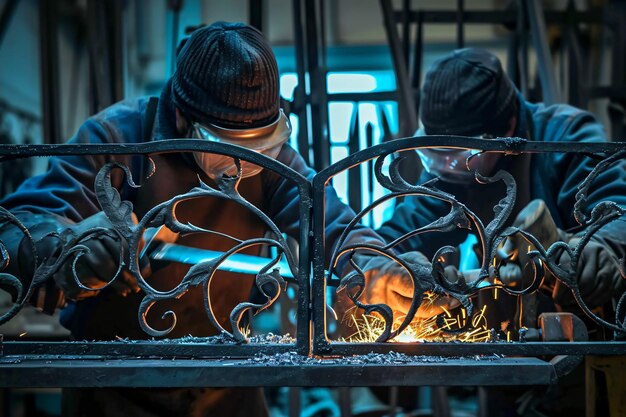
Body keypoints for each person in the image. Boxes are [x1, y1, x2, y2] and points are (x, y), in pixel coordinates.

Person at [0, 22, 385, 417]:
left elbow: (333, 223)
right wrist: (65, 244)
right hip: (112, 380)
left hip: (228, 378)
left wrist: (375, 263)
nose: (241, 166)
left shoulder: (273, 162)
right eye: (224, 147)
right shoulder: (115, 135)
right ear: (183, 118)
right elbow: (20, 225)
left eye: (259, 145)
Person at [364, 47, 626, 328]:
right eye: (436, 155)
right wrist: (380, 269)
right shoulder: (453, 172)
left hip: (586, 327)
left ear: (508, 130)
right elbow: (396, 237)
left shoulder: (567, 137)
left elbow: (618, 213)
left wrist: (599, 248)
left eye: (461, 156)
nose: (449, 168)